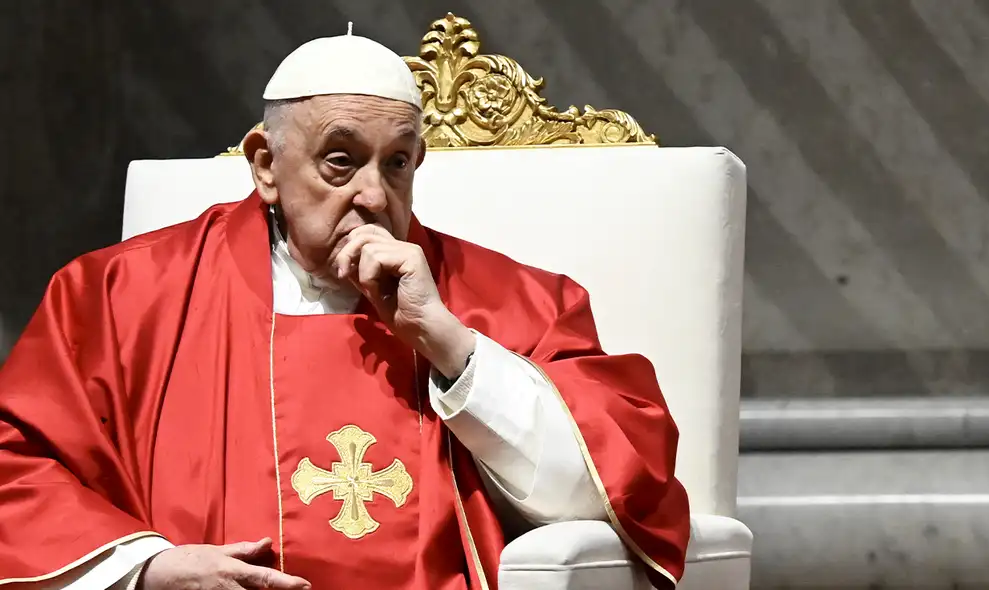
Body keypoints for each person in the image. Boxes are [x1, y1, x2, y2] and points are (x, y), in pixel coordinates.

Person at [0, 32, 689, 590]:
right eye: (340, 161)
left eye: (397, 164)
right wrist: (145, 567)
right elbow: (16, 467)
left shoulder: (515, 300)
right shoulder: (124, 296)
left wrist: (451, 346)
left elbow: (613, 489)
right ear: (266, 164)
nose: (371, 195)